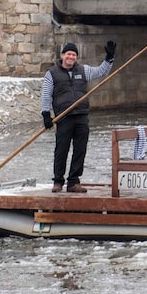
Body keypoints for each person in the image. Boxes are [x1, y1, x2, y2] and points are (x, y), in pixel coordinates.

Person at [41, 40, 115, 193]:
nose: (71, 57)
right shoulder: (52, 73)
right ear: (62, 55)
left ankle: (73, 181)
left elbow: (101, 72)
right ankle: (58, 181)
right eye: (68, 54)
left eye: (74, 55)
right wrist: (46, 114)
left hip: (81, 116)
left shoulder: (83, 70)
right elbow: (46, 94)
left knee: (80, 150)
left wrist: (109, 58)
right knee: (61, 150)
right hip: (64, 117)